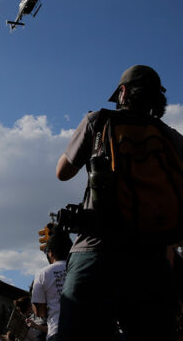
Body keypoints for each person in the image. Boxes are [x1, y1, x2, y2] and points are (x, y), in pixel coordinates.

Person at [55, 65, 182, 341]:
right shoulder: (171, 138)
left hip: (97, 253)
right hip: (152, 261)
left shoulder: (98, 120)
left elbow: (62, 172)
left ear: (122, 92)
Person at [31, 227, 72, 341]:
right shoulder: (81, 267)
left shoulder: (43, 273)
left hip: (59, 331)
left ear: (50, 253)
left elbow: (40, 312)